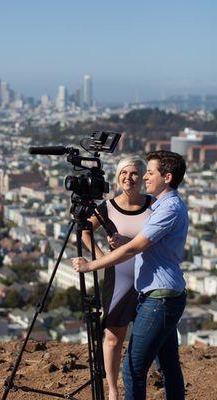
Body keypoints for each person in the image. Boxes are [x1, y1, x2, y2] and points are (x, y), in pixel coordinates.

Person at [71, 150, 188, 400]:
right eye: (125, 172)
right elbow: (145, 241)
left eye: (148, 172)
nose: (143, 177)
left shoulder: (164, 207)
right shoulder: (162, 205)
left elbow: (137, 247)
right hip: (157, 292)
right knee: (168, 365)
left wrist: (92, 265)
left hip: (159, 296)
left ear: (166, 177)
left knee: (133, 368)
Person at [81, 156, 152, 400]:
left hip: (150, 278)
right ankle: (113, 391)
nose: (128, 178)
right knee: (112, 338)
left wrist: (127, 244)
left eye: (133, 173)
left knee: (147, 340)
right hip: (118, 279)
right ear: (117, 176)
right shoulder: (108, 207)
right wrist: (102, 259)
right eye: (123, 173)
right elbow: (85, 231)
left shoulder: (155, 204)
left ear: (142, 177)